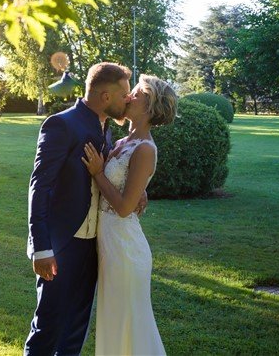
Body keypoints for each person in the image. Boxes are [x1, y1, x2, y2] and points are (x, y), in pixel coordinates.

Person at [25, 62, 136, 356]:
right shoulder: (61, 124)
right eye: (124, 93)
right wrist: (42, 248)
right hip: (61, 246)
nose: (129, 99)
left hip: (94, 246)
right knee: (47, 330)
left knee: (76, 331)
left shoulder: (107, 131)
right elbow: (40, 187)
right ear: (104, 96)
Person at [81, 74, 178, 356]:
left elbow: (124, 208)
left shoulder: (145, 148)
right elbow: (127, 188)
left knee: (129, 322)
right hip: (109, 244)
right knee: (113, 320)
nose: (128, 97)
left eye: (135, 94)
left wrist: (99, 173)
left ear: (149, 107)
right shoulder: (124, 140)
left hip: (125, 250)